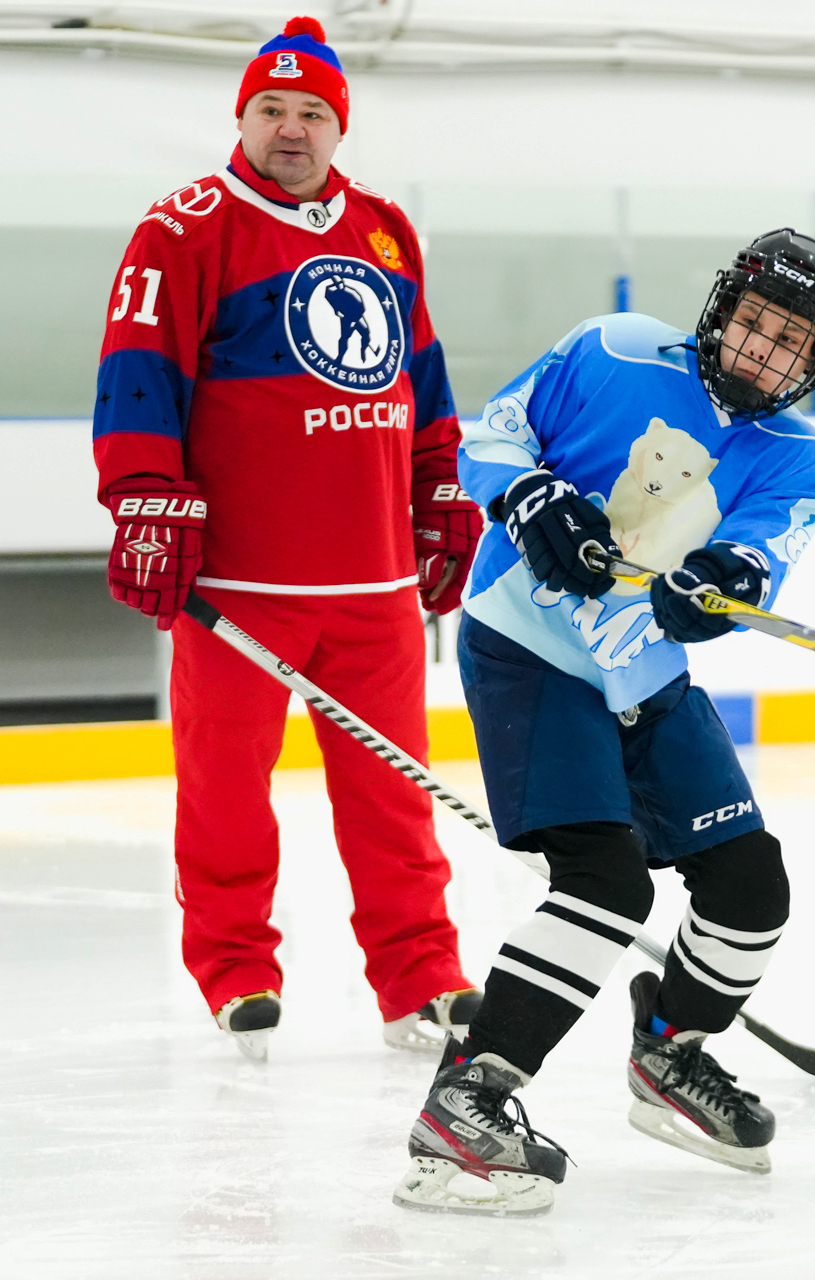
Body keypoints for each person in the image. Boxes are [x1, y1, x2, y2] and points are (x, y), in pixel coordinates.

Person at [393, 229, 815, 1215]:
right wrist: (528, 492)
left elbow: (755, 560)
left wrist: (720, 586)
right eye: (757, 323)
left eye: (791, 342)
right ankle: (467, 1101)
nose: (763, 349)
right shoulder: (614, 350)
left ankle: (671, 1049)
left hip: (646, 673)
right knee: (604, 880)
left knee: (749, 886)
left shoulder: (797, 461)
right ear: (722, 307)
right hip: (528, 645)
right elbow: (494, 434)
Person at [93, 16, 484, 1061]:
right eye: (272, 107)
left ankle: (421, 971)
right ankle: (235, 969)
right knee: (224, 793)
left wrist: (441, 487)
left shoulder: (387, 231)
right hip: (241, 584)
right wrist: (142, 492)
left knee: (395, 794)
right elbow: (138, 370)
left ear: (338, 127)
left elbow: (424, 384)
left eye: (313, 111)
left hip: (372, 581)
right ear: (243, 116)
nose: (292, 128)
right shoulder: (183, 229)